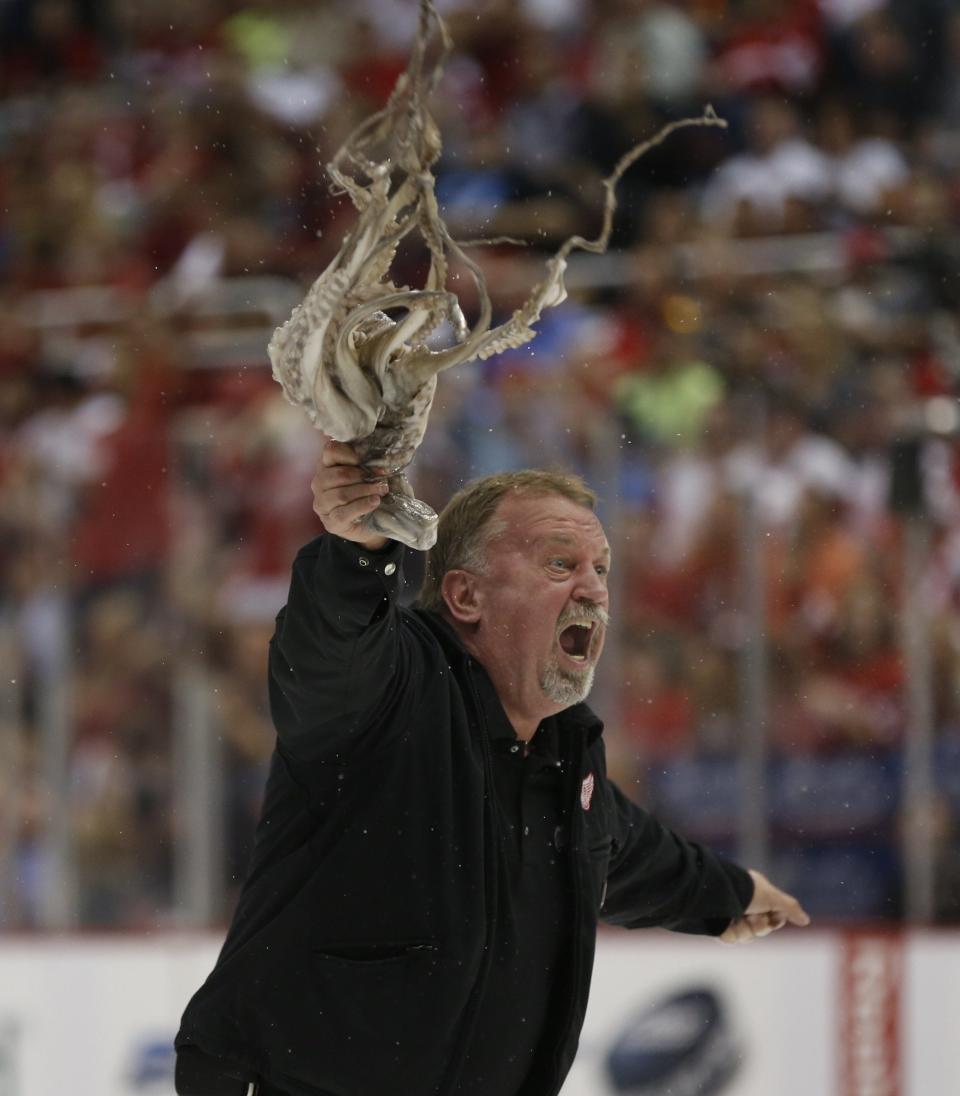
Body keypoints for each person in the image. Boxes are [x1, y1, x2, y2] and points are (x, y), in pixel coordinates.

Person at [175, 439, 809, 1096]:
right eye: (560, 564)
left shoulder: (564, 757)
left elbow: (620, 850)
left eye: (601, 567)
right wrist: (355, 554)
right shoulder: (389, 693)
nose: (593, 588)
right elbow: (329, 658)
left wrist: (727, 896)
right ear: (466, 596)